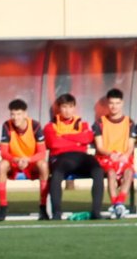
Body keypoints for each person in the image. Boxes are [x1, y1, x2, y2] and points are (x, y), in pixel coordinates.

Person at [43, 93, 103, 221]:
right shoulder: (50, 126)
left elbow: (87, 138)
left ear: (74, 108)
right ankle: (57, 213)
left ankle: (96, 212)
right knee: (56, 173)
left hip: (81, 157)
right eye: (64, 107)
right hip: (61, 157)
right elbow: (54, 143)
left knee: (98, 170)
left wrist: (64, 136)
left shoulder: (83, 124)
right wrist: (77, 141)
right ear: (59, 108)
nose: (67, 110)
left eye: (70, 107)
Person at [0, 98, 49, 222]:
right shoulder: (6, 125)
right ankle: (3, 208)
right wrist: (16, 159)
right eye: (12, 114)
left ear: (25, 114)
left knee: (44, 165)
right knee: (2, 165)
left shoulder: (35, 125)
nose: (15, 118)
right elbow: (3, 152)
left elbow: (42, 152)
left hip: (30, 162)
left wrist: (28, 160)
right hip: (14, 162)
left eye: (18, 114)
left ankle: (43, 208)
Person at [95, 88, 136, 220]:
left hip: (123, 157)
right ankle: (115, 203)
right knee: (111, 173)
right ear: (107, 104)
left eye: (117, 103)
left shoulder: (130, 122)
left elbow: (131, 145)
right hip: (106, 158)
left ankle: (119, 203)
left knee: (129, 173)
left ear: (122, 103)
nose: (114, 106)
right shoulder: (100, 122)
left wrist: (125, 155)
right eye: (111, 103)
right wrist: (110, 154)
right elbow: (99, 146)